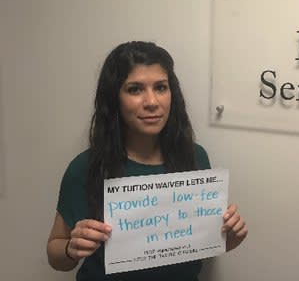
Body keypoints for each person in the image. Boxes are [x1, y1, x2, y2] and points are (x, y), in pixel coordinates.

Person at [47, 41, 247, 281]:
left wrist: (229, 236)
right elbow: (55, 254)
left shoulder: (195, 157)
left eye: (161, 87)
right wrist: (71, 248)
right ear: (114, 98)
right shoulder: (86, 166)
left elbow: (202, 245)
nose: (152, 102)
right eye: (135, 89)